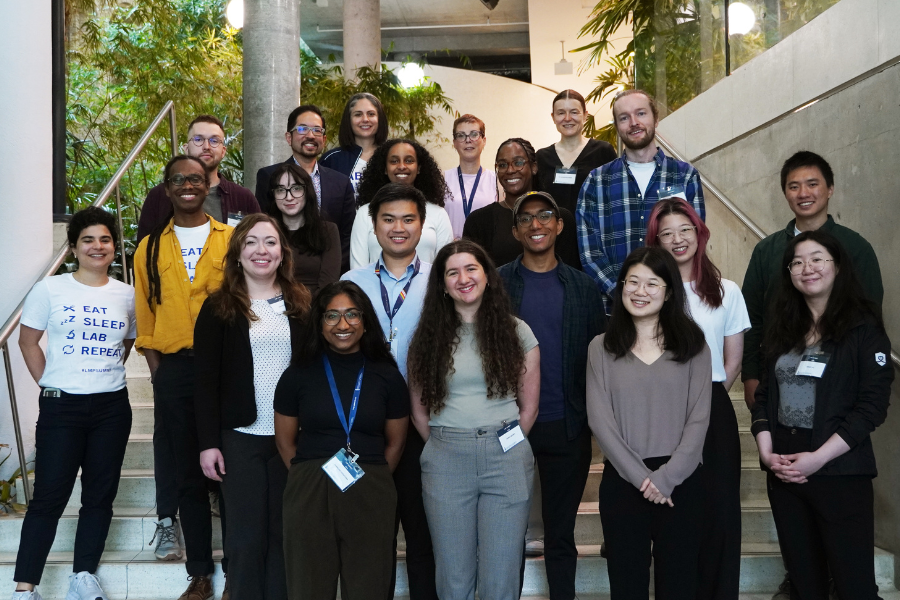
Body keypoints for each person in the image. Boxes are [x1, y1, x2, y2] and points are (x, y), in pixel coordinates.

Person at [740, 151, 883, 599]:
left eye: (818, 260)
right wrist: (767, 452)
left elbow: (871, 406)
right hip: (784, 473)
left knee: (855, 585)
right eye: (798, 264)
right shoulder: (784, 331)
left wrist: (819, 458)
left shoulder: (861, 328)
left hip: (839, 472)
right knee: (805, 584)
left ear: (838, 266)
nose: (808, 269)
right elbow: (765, 397)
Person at [11, 207, 136, 600]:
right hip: (61, 408)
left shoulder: (127, 294)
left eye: (104, 239)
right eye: (88, 239)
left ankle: (83, 574)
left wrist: (100, 373)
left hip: (111, 408)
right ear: (74, 247)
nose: (97, 246)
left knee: (99, 496)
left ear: (114, 246)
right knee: (49, 496)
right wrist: (51, 383)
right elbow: (27, 341)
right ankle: (25, 587)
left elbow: (126, 344)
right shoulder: (51, 289)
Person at [407, 240, 540, 600]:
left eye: (471, 269)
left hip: (506, 456)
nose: (463, 278)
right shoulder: (427, 338)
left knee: (502, 571)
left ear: (487, 276)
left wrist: (506, 443)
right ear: (443, 285)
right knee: (453, 574)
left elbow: (529, 407)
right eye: (452, 272)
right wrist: (443, 443)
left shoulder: (518, 332)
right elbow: (419, 410)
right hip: (446, 456)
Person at [193, 214, 311, 600]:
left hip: (290, 439)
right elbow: (205, 382)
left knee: (283, 535)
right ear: (238, 253)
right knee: (244, 538)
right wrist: (208, 442)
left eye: (271, 242)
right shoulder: (218, 307)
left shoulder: (302, 303)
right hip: (239, 438)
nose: (262, 250)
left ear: (283, 253)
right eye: (251, 242)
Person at [498, 191, 607, 600]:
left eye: (545, 215)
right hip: (509, 426)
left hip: (567, 428)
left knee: (560, 534)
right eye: (526, 219)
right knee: (507, 533)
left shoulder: (582, 287)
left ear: (559, 225)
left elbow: (596, 357)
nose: (536, 224)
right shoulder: (498, 283)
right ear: (515, 231)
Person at [586, 246, 711, 600]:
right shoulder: (601, 348)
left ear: (669, 291)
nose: (640, 291)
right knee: (627, 587)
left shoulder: (694, 346)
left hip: (682, 482)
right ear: (621, 286)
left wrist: (667, 478)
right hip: (625, 483)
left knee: (680, 584)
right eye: (633, 282)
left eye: (652, 284)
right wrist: (644, 479)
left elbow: (699, 418)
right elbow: (600, 421)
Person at [134, 155, 232, 600]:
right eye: (179, 180)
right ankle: (200, 573)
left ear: (208, 183)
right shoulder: (148, 248)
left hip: (227, 370)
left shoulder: (231, 240)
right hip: (175, 370)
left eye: (196, 178)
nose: (188, 186)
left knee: (230, 473)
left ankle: (239, 567)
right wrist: (160, 375)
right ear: (167, 188)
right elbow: (145, 319)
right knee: (189, 475)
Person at [274, 281, 409, 600]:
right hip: (309, 487)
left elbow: (396, 442)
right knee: (308, 586)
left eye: (352, 314)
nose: (343, 324)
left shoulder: (387, 376)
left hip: (371, 487)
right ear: (319, 324)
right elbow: (284, 441)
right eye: (331, 316)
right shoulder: (297, 374)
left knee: (369, 587)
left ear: (365, 321)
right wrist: (307, 478)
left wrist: (371, 479)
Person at [646, 198, 750, 599]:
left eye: (685, 230)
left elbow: (734, 358)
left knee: (721, 512)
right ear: (656, 241)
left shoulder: (727, 291)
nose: (677, 240)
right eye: (667, 233)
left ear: (699, 233)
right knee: (677, 514)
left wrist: (704, 405)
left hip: (713, 403)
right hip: (662, 409)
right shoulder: (652, 291)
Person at [341, 183, 438, 600]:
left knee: (423, 535)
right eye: (388, 219)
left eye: (408, 219)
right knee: (369, 538)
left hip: (424, 424)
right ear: (373, 225)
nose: (398, 228)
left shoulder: (442, 278)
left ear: (422, 225)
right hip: (366, 424)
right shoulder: (352, 281)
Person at [577, 89, 705, 313]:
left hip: (674, 309)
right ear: (617, 126)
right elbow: (590, 254)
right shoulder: (596, 182)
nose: (633, 123)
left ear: (656, 118)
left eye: (641, 114)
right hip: (615, 312)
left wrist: (665, 292)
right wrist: (624, 293)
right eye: (624, 118)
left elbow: (692, 240)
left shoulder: (684, 176)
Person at [254, 105, 357, 272]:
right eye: (302, 129)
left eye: (317, 130)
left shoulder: (341, 182)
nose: (310, 135)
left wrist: (330, 269)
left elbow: (347, 236)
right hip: (281, 271)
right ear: (289, 137)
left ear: (324, 139)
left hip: (328, 276)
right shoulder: (268, 176)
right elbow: (263, 225)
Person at [138, 114, 260, 242]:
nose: (206, 146)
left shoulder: (242, 197)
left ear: (223, 151)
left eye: (214, 140)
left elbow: (258, 242)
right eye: (198, 139)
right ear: (186, 148)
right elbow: (145, 249)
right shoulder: (160, 195)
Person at [462, 138, 581, 269]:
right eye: (502, 165)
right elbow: (472, 273)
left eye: (518, 162)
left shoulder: (559, 217)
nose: (510, 170)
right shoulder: (478, 221)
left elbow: (571, 274)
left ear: (534, 167)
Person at [351, 139, 453, 269]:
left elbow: (446, 267)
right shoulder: (365, 213)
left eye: (409, 160)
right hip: (373, 289)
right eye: (394, 161)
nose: (401, 166)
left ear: (419, 168)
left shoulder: (438, 214)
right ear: (385, 169)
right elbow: (357, 270)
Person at [264, 163, 340, 296]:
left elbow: (328, 285)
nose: (289, 197)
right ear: (273, 196)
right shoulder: (266, 233)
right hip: (273, 308)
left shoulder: (328, 231)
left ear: (307, 191)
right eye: (281, 190)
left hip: (317, 309)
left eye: (296, 188)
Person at [535, 90, 616, 214]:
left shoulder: (603, 152)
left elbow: (614, 196)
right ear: (553, 117)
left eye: (574, 112)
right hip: (553, 232)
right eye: (561, 113)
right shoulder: (542, 157)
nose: (567, 118)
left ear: (585, 115)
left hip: (594, 231)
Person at [443, 114, 497, 238]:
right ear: (455, 143)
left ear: (484, 141)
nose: (468, 140)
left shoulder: (496, 180)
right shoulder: (442, 178)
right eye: (461, 135)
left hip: (485, 253)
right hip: (450, 252)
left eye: (474, 134)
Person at [320, 92, 389, 191]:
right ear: (349, 120)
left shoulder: (391, 156)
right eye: (358, 114)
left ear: (380, 119)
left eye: (371, 114)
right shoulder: (332, 159)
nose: (365, 119)